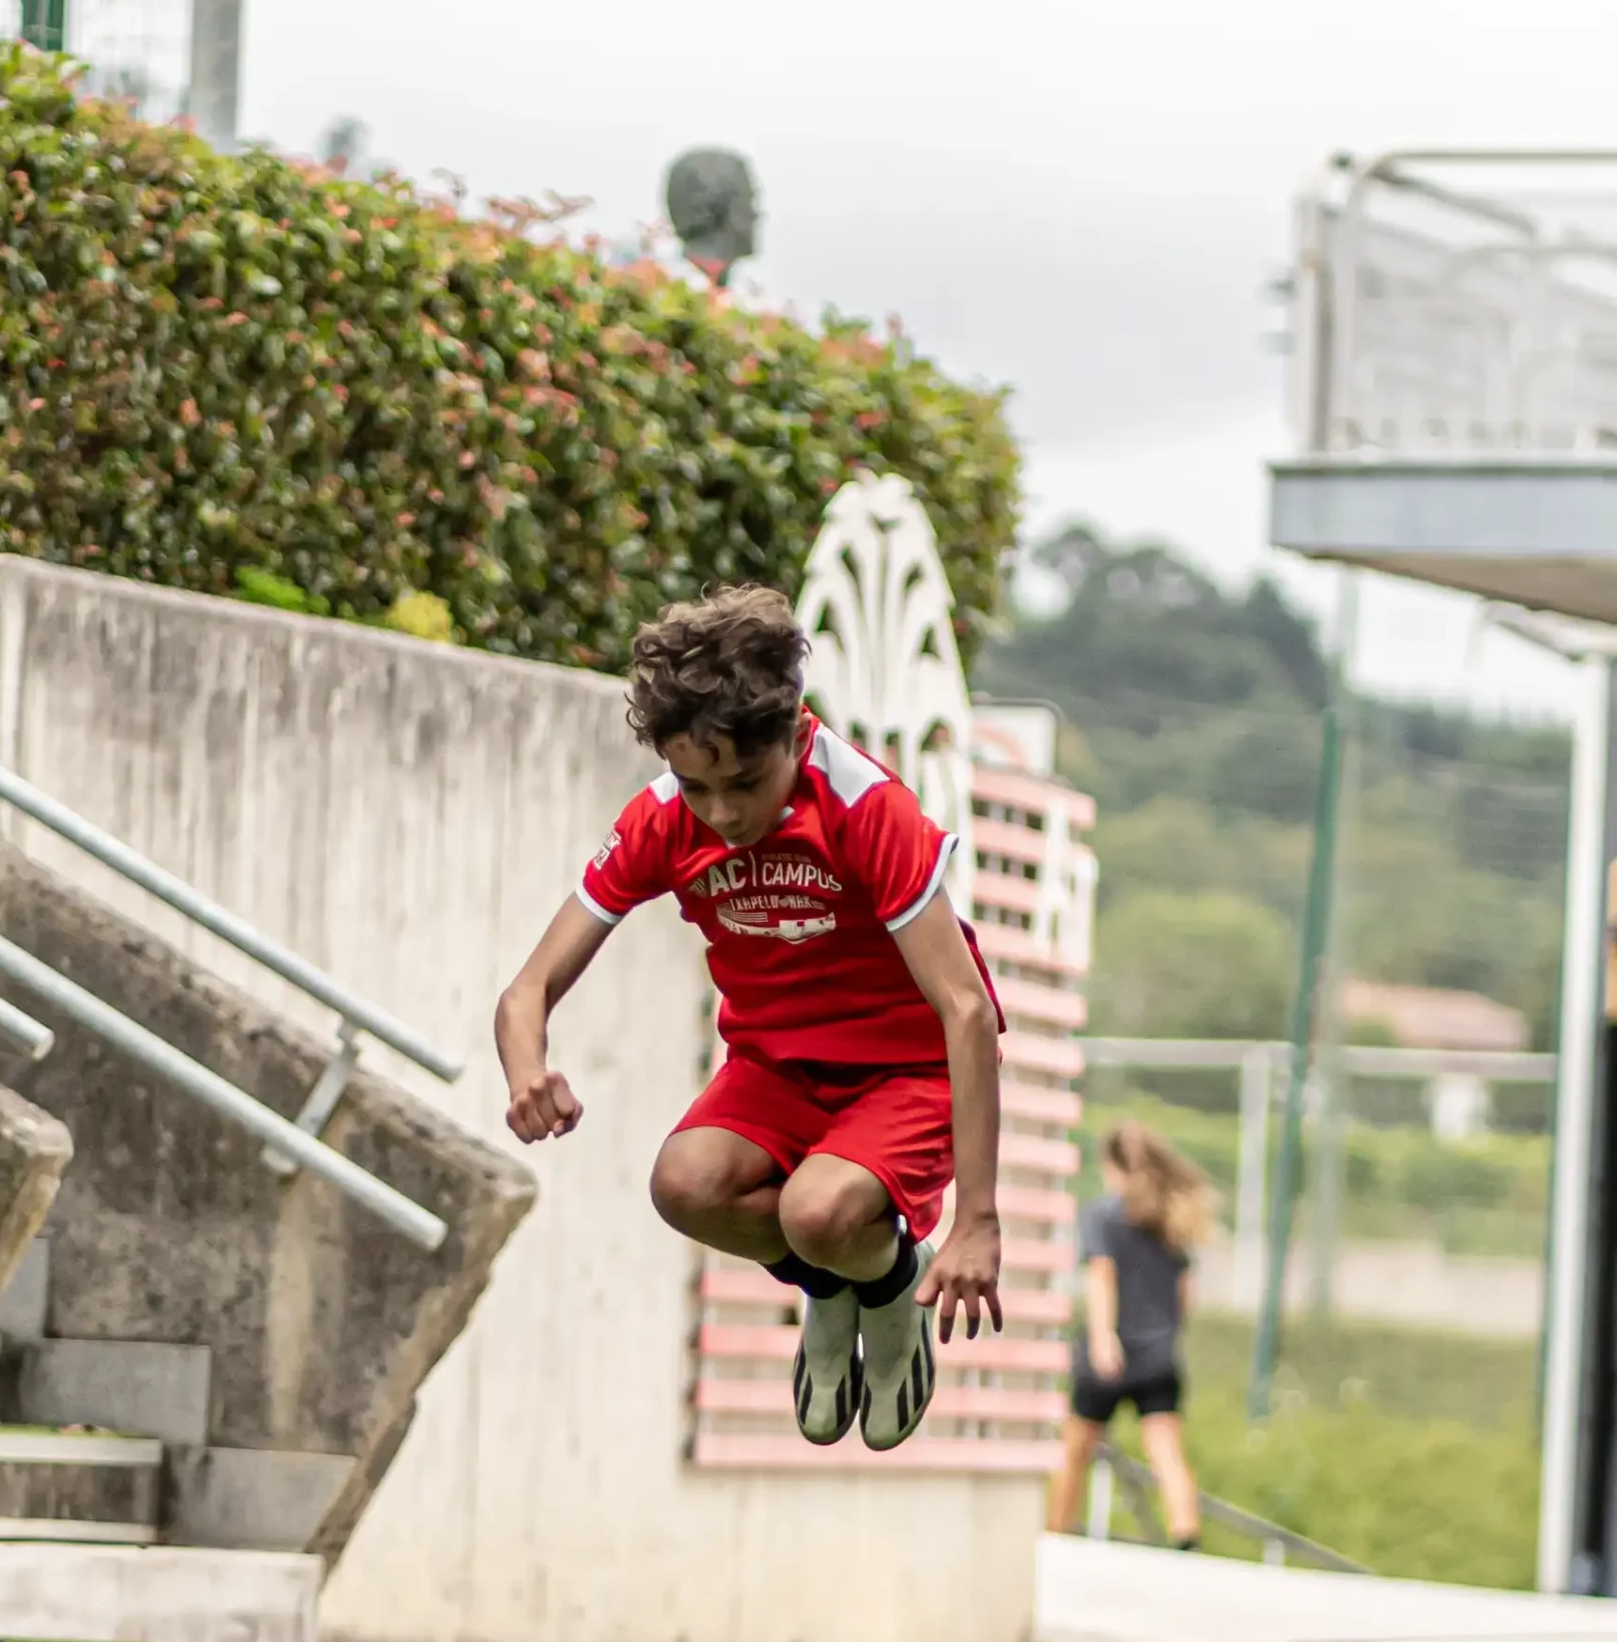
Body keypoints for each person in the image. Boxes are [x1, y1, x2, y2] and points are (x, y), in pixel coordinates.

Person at [494, 586, 1005, 1452]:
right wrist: (525, 1071)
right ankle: (835, 1285)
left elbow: (966, 1010)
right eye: (698, 786)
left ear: (796, 735)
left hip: (904, 1073)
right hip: (777, 1071)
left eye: (744, 783)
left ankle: (887, 1288)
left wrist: (978, 1220)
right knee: (684, 1186)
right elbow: (526, 990)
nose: (723, 814)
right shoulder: (664, 819)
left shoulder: (863, 807)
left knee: (817, 1213)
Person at [1045, 1121, 1211, 1548]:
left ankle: (1057, 1535)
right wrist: (1167, 1334)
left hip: (1112, 1352)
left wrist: (1103, 1338)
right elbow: (1186, 1295)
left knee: (1076, 1449)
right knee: (1165, 1449)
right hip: (1159, 1354)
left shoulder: (1104, 1214)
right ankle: (1186, 1534)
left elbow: (1102, 1276)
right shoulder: (1170, 1219)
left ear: (1113, 1166)